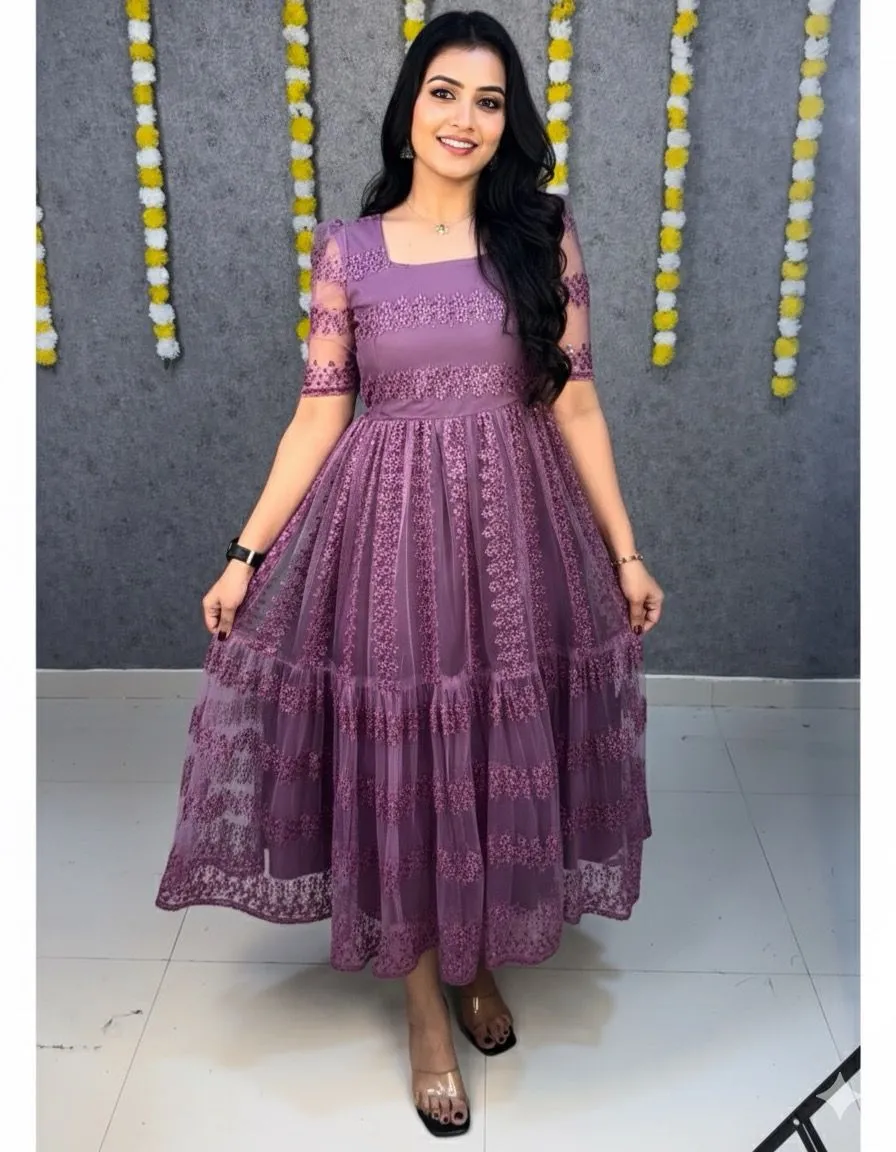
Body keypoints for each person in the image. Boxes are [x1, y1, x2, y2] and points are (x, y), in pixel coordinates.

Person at [156, 8, 663, 1139]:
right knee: (410, 757)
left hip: (517, 537)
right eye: (444, 93)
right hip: (388, 543)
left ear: (507, 122)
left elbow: (576, 404)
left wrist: (625, 551)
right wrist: (244, 554)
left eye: (489, 101)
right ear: (408, 108)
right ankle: (426, 1002)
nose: (464, 119)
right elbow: (316, 417)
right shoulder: (350, 250)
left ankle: (479, 957)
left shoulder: (543, 235)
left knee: (489, 751)